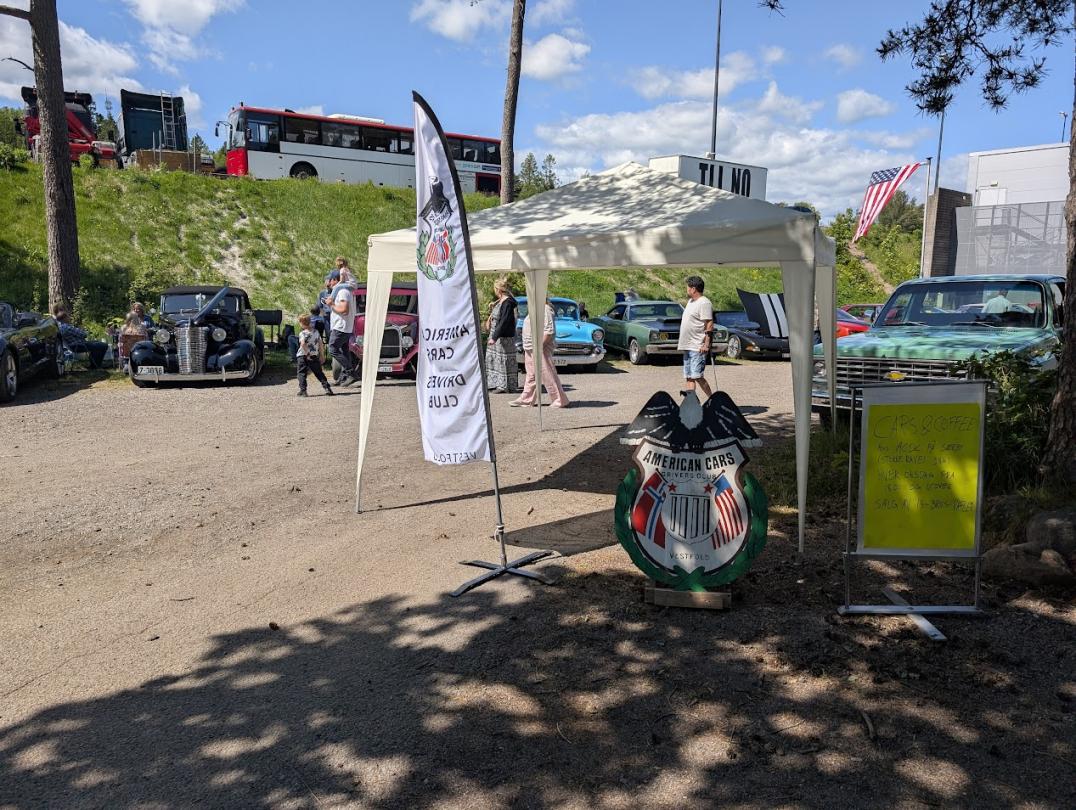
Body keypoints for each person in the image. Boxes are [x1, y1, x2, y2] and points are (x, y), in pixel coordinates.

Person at [511, 298, 569, 408]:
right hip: (530, 346)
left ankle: (559, 399)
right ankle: (526, 399)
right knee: (532, 374)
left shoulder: (545, 309)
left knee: (547, 373)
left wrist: (539, 346)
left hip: (540, 347)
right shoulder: (536, 309)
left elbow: (549, 331)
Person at [678, 275, 714, 399]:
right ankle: (691, 402)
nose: (686, 289)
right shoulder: (690, 302)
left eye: (688, 287)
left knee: (697, 376)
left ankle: (712, 399)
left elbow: (709, 324)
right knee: (689, 377)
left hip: (697, 347)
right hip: (687, 346)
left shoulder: (704, 302)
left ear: (693, 289)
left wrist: (706, 344)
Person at [485, 278, 519, 394]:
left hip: (503, 337)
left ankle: (503, 385)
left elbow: (504, 321)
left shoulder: (507, 303)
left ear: (498, 289)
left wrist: (494, 337)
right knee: (494, 360)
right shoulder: (501, 301)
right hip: (497, 336)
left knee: (503, 360)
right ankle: (494, 383)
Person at [327, 268, 358, 386]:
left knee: (332, 349)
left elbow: (344, 310)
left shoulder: (343, 291)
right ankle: (344, 377)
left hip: (341, 327)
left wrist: (331, 304)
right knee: (344, 351)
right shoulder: (343, 290)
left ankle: (351, 373)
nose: (329, 283)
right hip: (344, 327)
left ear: (335, 280)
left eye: (330, 280)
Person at [295, 313, 333, 397]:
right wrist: (322, 355)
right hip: (314, 356)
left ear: (301, 323)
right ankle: (327, 388)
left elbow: (303, 344)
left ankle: (303, 391)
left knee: (301, 373)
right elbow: (320, 344)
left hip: (303, 355)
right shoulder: (316, 332)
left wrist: (307, 353)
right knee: (319, 372)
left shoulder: (302, 333)